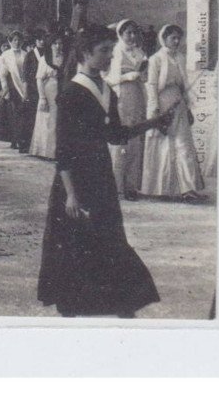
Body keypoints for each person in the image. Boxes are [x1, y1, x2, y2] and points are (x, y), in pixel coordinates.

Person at [37, 25, 172, 317]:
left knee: (109, 238)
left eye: (112, 51)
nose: (110, 57)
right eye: (103, 51)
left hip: (101, 173)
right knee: (75, 243)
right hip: (74, 179)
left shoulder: (106, 90)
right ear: (85, 53)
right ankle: (73, 306)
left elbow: (116, 135)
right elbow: (63, 149)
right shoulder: (71, 92)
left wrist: (153, 122)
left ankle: (121, 304)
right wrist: (70, 196)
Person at [140, 24, 206, 201]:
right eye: (172, 38)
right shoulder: (156, 59)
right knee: (163, 145)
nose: (176, 41)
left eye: (178, 38)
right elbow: (152, 85)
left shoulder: (181, 58)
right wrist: (154, 111)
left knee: (183, 145)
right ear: (164, 38)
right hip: (162, 104)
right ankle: (162, 189)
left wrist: (188, 106)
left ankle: (188, 189)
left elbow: (185, 85)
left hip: (178, 103)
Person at [106, 19, 148, 200]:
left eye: (134, 33)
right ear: (120, 34)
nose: (131, 36)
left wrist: (143, 74)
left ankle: (131, 185)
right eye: (128, 33)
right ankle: (116, 186)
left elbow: (146, 75)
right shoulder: (116, 52)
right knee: (122, 142)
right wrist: (128, 76)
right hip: (122, 97)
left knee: (136, 141)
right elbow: (110, 78)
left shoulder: (139, 52)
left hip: (138, 96)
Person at [29, 33, 66, 160]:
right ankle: (47, 151)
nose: (58, 46)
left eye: (60, 43)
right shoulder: (46, 59)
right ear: (50, 45)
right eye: (55, 43)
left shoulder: (65, 58)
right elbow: (39, 79)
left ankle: (59, 150)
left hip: (63, 89)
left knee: (61, 120)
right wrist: (42, 97)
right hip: (50, 88)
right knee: (48, 119)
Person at [0, 30, 27, 148]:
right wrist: (5, 88)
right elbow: (2, 74)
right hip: (12, 86)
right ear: (10, 41)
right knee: (14, 113)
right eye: (14, 40)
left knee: (22, 113)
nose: (17, 42)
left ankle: (21, 139)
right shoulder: (6, 55)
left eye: (19, 40)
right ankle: (15, 139)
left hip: (23, 86)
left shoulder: (25, 54)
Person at [20, 30, 46, 151]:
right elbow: (25, 75)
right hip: (32, 88)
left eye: (43, 39)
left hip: (44, 88)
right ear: (35, 41)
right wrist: (25, 91)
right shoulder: (30, 55)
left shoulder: (48, 53)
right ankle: (26, 144)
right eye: (39, 39)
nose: (42, 41)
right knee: (30, 116)